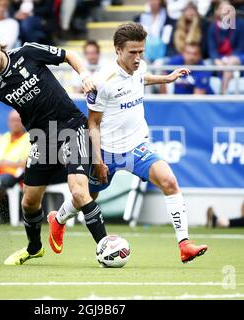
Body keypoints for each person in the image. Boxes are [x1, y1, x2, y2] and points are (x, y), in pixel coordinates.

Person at [50, 22, 208, 264]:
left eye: (141, 52)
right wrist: (99, 162)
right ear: (117, 50)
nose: (137, 58)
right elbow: (93, 124)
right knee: (85, 198)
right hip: (106, 152)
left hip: (136, 146)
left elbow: (141, 78)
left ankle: (184, 245)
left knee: (169, 181)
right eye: (132, 52)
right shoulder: (101, 82)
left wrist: (167, 78)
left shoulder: (139, 66)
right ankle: (58, 219)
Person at [0, 30, 108, 265]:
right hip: (41, 139)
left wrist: (84, 75)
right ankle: (34, 247)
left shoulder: (27, 52)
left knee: (78, 191)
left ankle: (105, 247)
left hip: (71, 127)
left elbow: (69, 55)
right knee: (29, 202)